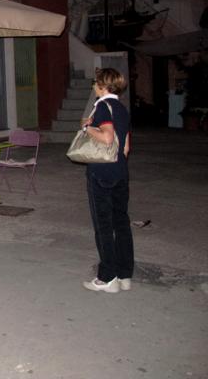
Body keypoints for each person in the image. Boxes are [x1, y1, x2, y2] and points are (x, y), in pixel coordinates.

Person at [81, 68, 133, 293]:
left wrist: (87, 127)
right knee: (121, 223)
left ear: (102, 85)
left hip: (101, 173)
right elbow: (126, 147)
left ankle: (107, 277)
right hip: (120, 172)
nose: (94, 86)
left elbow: (107, 137)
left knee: (103, 226)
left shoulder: (102, 106)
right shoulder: (122, 108)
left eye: (95, 82)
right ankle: (124, 274)